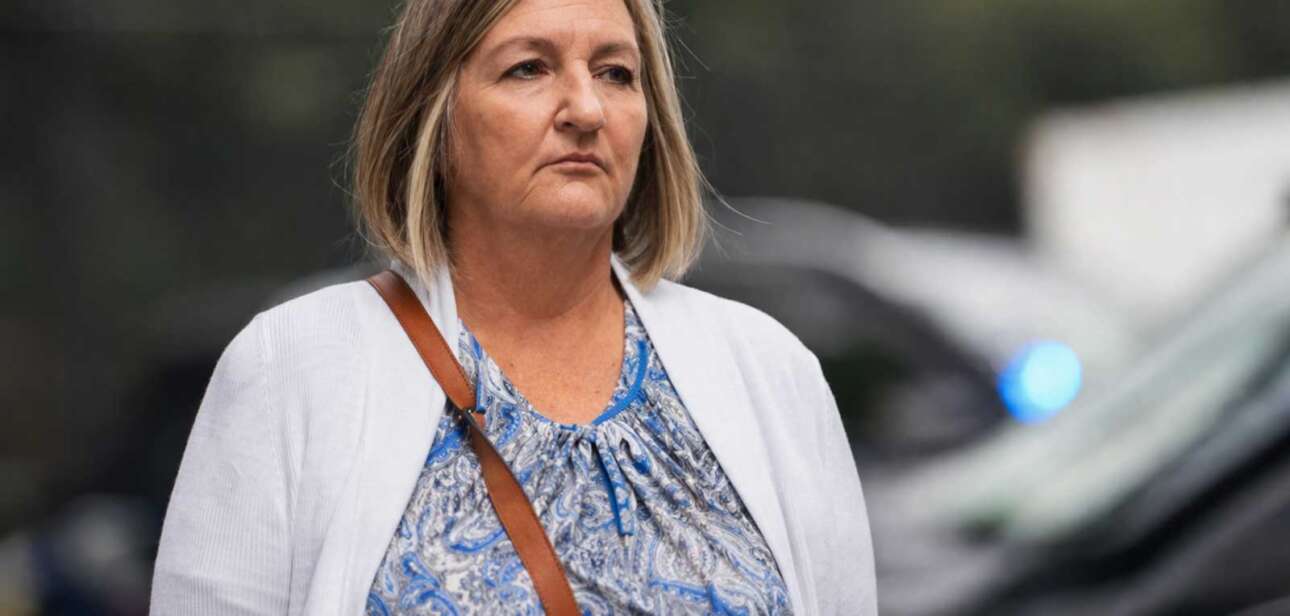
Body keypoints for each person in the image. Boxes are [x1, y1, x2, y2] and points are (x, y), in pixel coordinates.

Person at [150, 0, 876, 613]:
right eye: (529, 67)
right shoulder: (292, 367)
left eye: (616, 73)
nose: (587, 110)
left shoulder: (769, 371)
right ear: (433, 115)